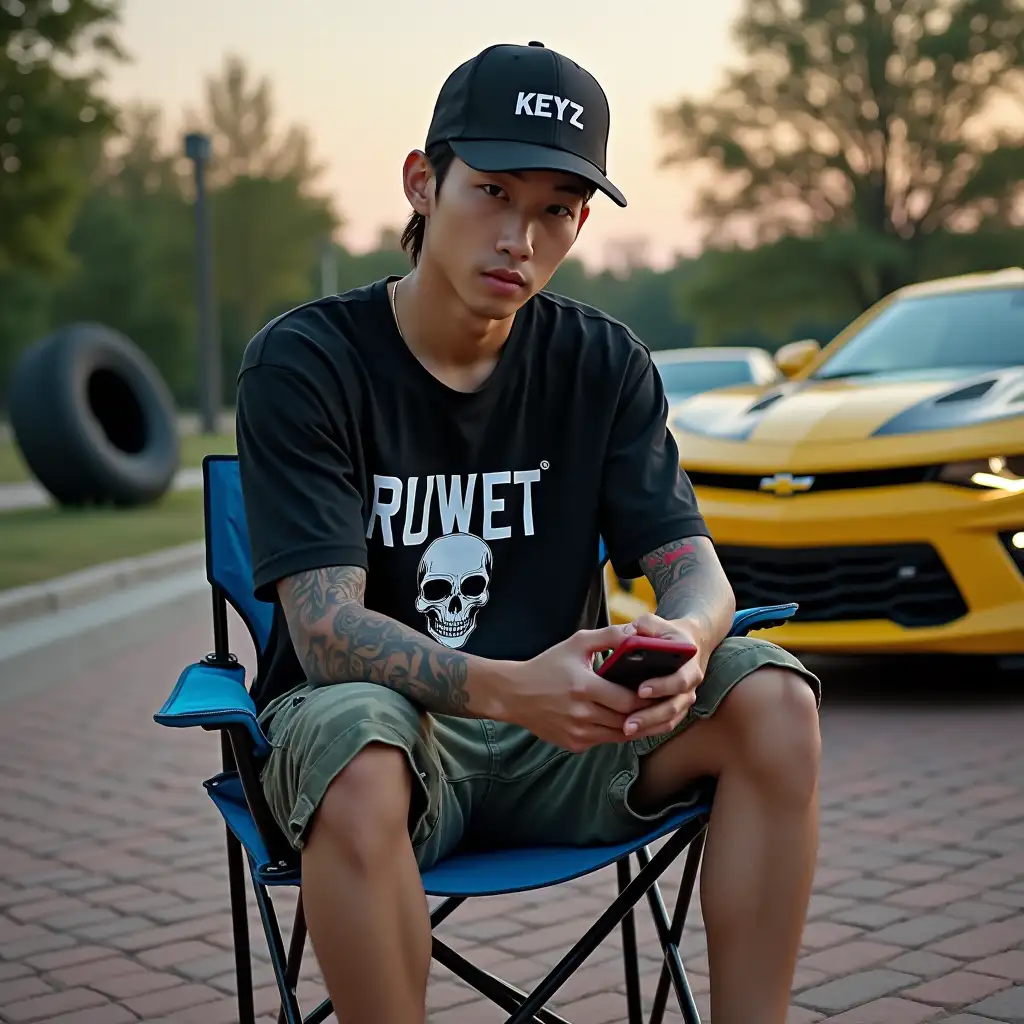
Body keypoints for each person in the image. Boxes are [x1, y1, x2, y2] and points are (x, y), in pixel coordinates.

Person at [235, 40, 822, 1024]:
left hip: (574, 735)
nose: (520, 235)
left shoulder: (601, 363)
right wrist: (512, 688)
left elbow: (696, 573)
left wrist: (685, 644)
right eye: (494, 192)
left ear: (582, 220)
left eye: (555, 207)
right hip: (395, 738)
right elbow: (325, 629)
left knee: (773, 698)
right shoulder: (307, 363)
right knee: (354, 744)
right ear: (424, 183)